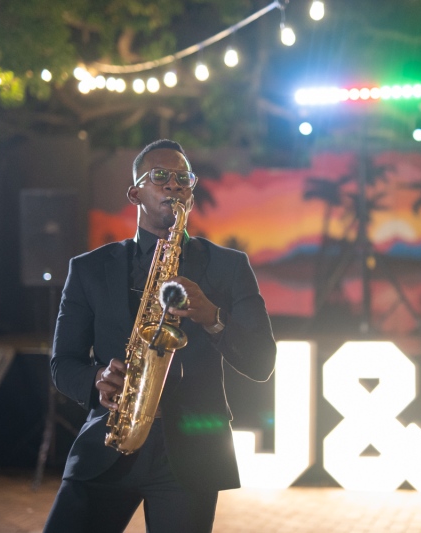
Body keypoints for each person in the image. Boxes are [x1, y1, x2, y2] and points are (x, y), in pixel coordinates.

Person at [43, 139, 277, 533]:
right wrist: (97, 380)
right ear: (135, 192)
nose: (174, 185)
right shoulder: (88, 269)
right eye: (161, 177)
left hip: (190, 455)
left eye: (183, 178)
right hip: (110, 440)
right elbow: (62, 363)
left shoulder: (229, 267)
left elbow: (261, 362)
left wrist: (213, 316)